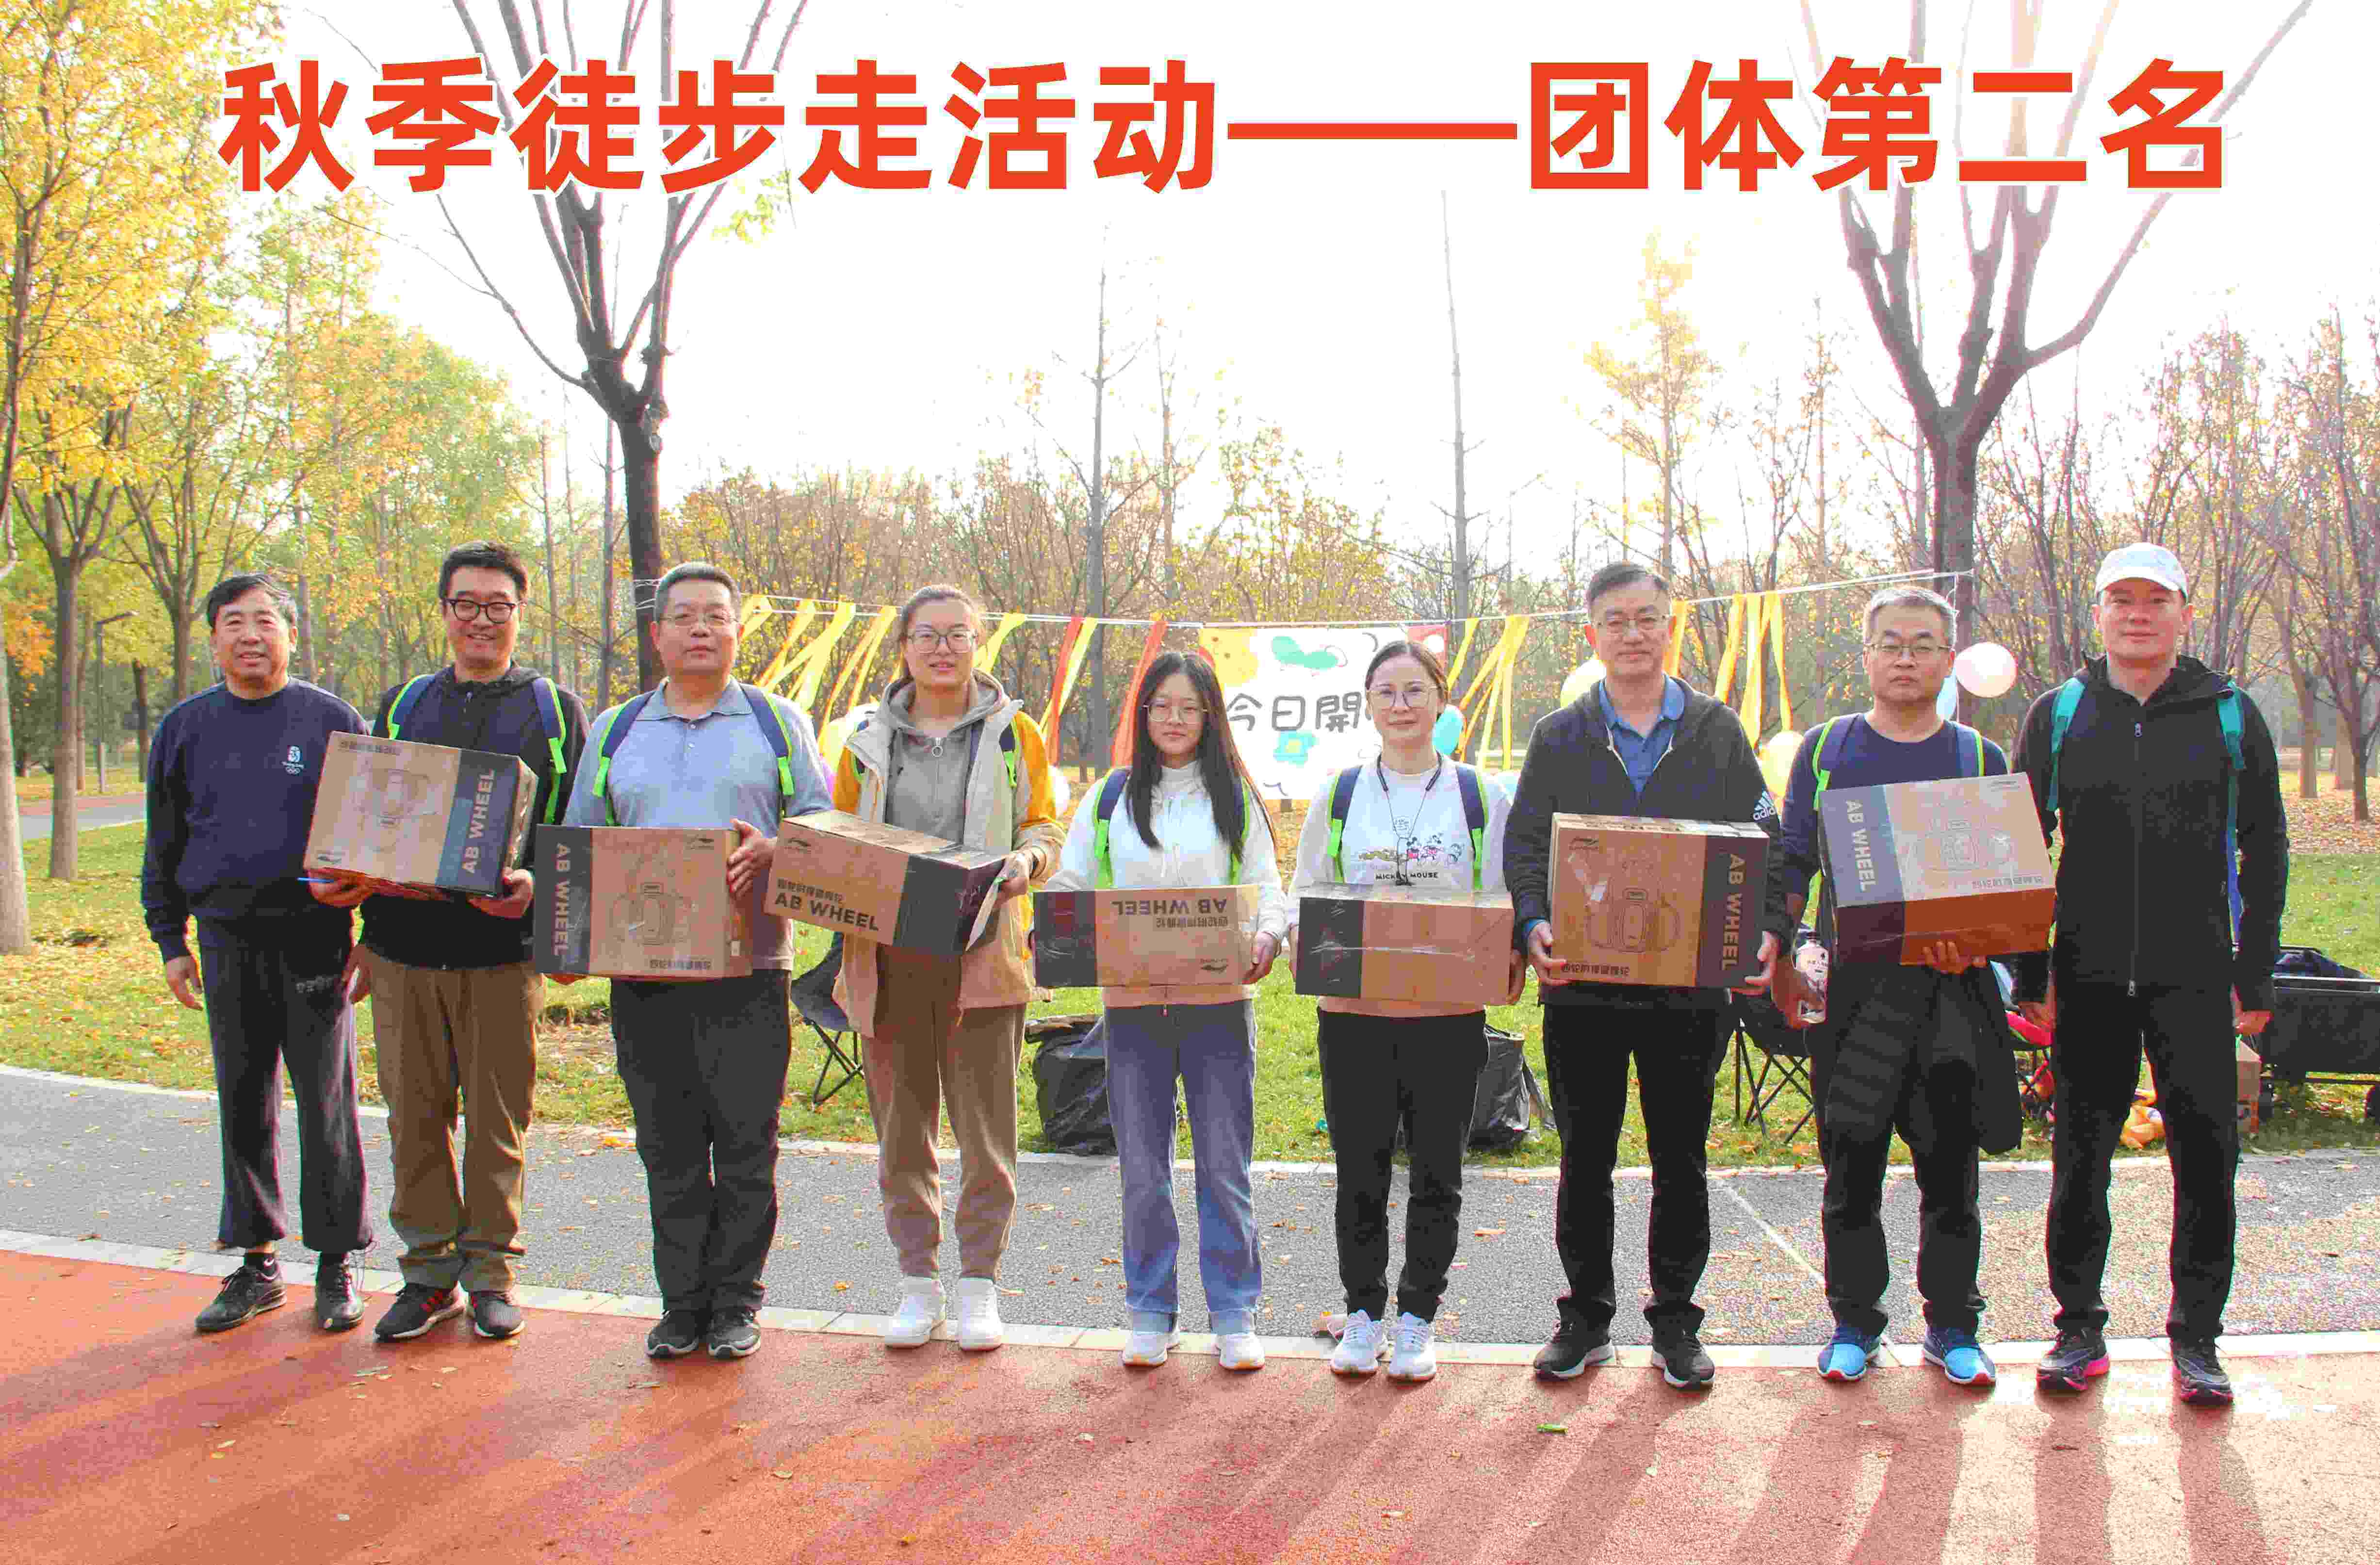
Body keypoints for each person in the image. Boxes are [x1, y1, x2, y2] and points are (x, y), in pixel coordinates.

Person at [2011, 542, 2286, 1407]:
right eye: (2120, 599)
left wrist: (2255, 973)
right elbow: (2021, 844)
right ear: (2098, 613)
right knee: (2078, 1158)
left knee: (2206, 1159)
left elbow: (2266, 847)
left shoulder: (2230, 713)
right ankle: (2077, 1328)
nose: (2137, 614)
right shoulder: (2058, 713)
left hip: (2195, 973)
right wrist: (2029, 973)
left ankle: (2196, 1339)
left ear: (2182, 614)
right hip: (2086, 973)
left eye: (2155, 600)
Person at [1505, 561, 1782, 1392]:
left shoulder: (1716, 731)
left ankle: (1675, 1321)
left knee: (1680, 1159)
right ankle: (1584, 1317)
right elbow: (1525, 845)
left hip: (1686, 993)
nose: (1632, 633)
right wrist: (1532, 921)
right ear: (1591, 634)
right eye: (1616, 620)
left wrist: (1767, 930)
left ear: (1670, 626)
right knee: (1583, 1157)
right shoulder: (1559, 735)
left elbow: (1764, 844)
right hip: (1581, 987)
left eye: (1647, 618)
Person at [314, 542, 589, 1345]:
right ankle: (429, 1273)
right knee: (414, 1120)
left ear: (519, 613)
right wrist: (358, 923)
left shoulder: (554, 711)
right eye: (466, 604)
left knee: (498, 1124)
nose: (481, 619)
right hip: (401, 954)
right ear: (444, 612)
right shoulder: (402, 705)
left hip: (503, 957)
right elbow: (367, 825)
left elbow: (575, 831)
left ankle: (493, 1274)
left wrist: (541, 897)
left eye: (498, 605)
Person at [557, 562, 831, 1362]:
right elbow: (580, 841)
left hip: (751, 971)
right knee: (667, 1145)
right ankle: (682, 1303)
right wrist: (567, 947)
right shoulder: (615, 730)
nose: (700, 628)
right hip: (644, 975)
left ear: (738, 631)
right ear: (658, 634)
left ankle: (737, 1300)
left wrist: (778, 848)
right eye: (684, 616)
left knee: (746, 1145)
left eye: (716, 615)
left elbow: (822, 828)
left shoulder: (778, 723)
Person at [1758, 585, 2023, 1389]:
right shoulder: (1827, 749)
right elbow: (1792, 859)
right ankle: (1853, 1322)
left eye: (1922, 644)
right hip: (1855, 992)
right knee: (1850, 1164)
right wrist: (1781, 954)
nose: (1905, 658)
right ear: (1867, 656)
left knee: (1950, 1172)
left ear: (1948, 660)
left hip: (1950, 995)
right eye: (1890, 644)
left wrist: (1979, 945)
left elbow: (2007, 883)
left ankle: (1952, 1326)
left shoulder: (1978, 757)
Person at [141, 573, 375, 1335]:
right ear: (213, 638)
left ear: (291, 635)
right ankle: (257, 1262)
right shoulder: (184, 728)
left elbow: (379, 837)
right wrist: (170, 939)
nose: (250, 634)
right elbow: (163, 841)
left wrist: (373, 936)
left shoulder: (333, 721)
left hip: (315, 938)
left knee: (326, 1101)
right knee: (244, 1100)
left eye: (266, 620)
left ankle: (337, 1260)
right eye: (234, 622)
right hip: (224, 939)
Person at [832, 585, 1061, 1353]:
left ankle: (978, 1285)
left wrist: (1029, 860)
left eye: (957, 634)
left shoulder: (1013, 732)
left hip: (983, 955)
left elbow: (1044, 823)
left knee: (985, 1131)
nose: (942, 647)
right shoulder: (864, 739)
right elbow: (836, 834)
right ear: (902, 646)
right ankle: (917, 1283)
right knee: (902, 1129)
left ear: (978, 643)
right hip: (888, 956)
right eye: (927, 634)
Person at [1047, 652, 1289, 1372]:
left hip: (1218, 1008)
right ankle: (1150, 1310)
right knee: (1142, 1168)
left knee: (1223, 1165)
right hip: (1132, 1010)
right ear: (1144, 713)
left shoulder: (1235, 797)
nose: (1175, 720)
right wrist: (1052, 930)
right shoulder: (1110, 797)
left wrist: (1267, 935)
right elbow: (1071, 880)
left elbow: (1266, 885)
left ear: (1209, 717)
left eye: (1190, 707)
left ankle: (1234, 1311)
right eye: (1162, 706)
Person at [1291, 638, 1518, 1385]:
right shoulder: (1341, 794)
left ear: (1440, 701)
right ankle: (1362, 1312)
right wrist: (1300, 941)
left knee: (1436, 1174)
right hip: (1353, 1017)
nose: (1400, 704)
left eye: (1415, 690)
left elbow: (1500, 897)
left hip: (1446, 1020)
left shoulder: (1479, 796)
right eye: (1385, 691)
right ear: (1367, 704)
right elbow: (1306, 890)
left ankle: (1418, 1315)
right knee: (1359, 1172)